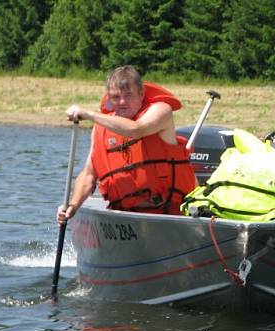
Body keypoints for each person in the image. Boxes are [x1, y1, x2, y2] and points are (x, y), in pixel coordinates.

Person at [57, 66, 197, 225]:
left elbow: (136, 130)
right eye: (116, 97)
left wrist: (89, 114)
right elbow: (89, 175)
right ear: (109, 98)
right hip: (125, 217)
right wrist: (72, 206)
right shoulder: (101, 128)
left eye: (128, 95)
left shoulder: (161, 111)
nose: (122, 102)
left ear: (141, 93)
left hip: (172, 213)